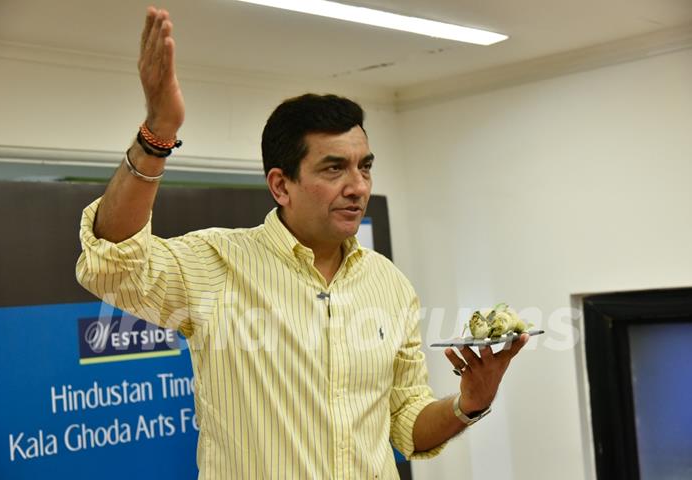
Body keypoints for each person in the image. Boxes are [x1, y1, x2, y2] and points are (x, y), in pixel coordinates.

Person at [76, 6, 529, 479]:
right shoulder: (218, 263)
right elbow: (113, 262)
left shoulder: (389, 284)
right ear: (281, 185)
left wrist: (470, 403)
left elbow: (405, 425)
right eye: (334, 168)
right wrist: (158, 134)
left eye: (365, 166)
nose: (358, 185)